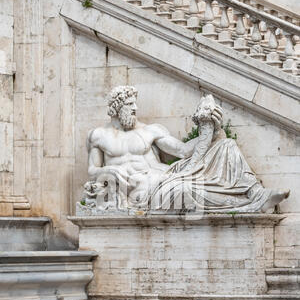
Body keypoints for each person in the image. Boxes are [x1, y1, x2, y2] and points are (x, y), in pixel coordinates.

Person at [86, 86, 289, 212]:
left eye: (134, 104)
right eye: (130, 104)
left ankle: (255, 194)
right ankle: (245, 203)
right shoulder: (99, 136)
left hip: (166, 178)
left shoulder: (150, 131)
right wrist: (107, 170)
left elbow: (182, 151)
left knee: (227, 145)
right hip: (145, 192)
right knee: (187, 190)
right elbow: (92, 171)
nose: (135, 109)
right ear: (117, 107)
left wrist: (213, 131)